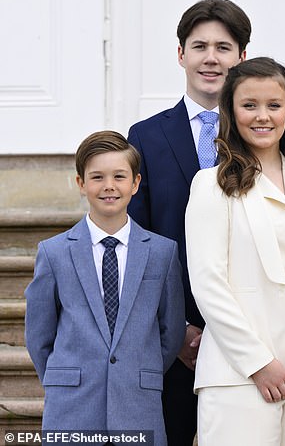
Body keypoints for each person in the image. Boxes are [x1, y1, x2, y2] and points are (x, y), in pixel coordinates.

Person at [185, 57, 285, 445]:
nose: (263, 116)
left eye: (274, 105)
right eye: (249, 105)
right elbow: (208, 284)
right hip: (239, 367)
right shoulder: (211, 185)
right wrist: (258, 363)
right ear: (231, 112)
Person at [126, 0, 251, 444]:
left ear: (242, 56)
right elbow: (137, 240)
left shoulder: (263, 135)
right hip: (172, 339)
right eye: (199, 46)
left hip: (250, 333)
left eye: (224, 47)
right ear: (181, 55)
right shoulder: (145, 136)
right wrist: (174, 329)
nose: (211, 58)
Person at [24, 131, 185, 445]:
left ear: (135, 183)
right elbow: (39, 335)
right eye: (97, 177)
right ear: (81, 184)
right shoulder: (54, 252)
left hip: (138, 404)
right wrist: (64, 379)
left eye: (119, 176)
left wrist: (139, 370)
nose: (109, 186)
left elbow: (171, 331)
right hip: (72, 407)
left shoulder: (162, 253)